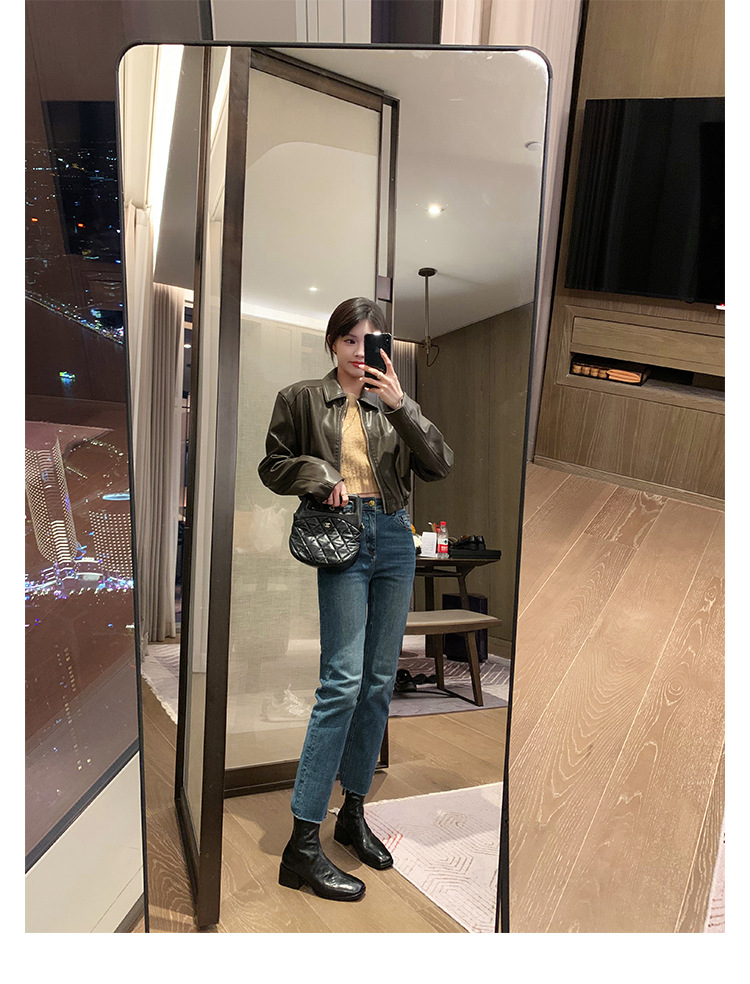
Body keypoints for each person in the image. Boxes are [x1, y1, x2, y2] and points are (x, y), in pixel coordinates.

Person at [258, 296, 453, 901]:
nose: (358, 352)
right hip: (341, 535)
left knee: (378, 683)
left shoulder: (391, 402)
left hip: (393, 537)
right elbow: (272, 465)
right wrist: (321, 478)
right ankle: (302, 845)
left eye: (369, 343)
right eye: (348, 340)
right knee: (341, 682)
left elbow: (439, 464)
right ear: (332, 343)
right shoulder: (301, 398)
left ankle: (352, 814)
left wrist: (402, 406)